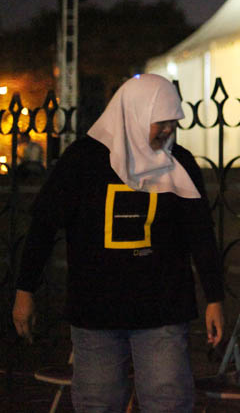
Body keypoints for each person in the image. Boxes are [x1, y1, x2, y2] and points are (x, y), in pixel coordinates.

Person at [12, 73, 225, 412]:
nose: (168, 130)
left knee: (167, 402)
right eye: (161, 122)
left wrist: (215, 297)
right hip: (96, 311)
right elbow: (43, 227)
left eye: (173, 122)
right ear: (135, 114)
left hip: (163, 310)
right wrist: (25, 290)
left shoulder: (179, 163)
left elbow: (200, 233)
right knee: (98, 403)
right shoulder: (83, 160)